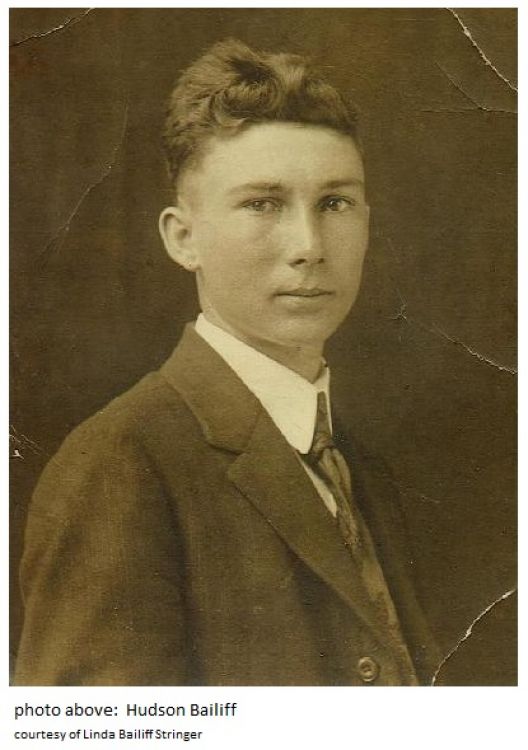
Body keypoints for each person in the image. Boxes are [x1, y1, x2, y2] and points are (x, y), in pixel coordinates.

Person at [14, 39, 439, 686]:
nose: (309, 246)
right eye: (262, 204)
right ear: (183, 238)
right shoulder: (118, 464)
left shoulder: (360, 466)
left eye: (335, 203)